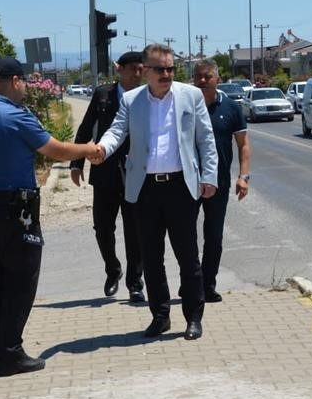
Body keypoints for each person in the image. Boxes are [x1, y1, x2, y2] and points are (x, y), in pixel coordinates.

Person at [0, 56, 101, 376]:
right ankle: (10, 353)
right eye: (23, 82)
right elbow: (55, 150)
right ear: (14, 81)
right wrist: (88, 150)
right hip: (15, 210)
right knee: (20, 281)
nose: (24, 87)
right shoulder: (15, 116)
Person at [94, 44, 218, 340]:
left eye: (170, 69)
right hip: (145, 189)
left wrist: (209, 176)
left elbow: (205, 139)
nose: (166, 74)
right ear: (146, 71)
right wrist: (101, 149)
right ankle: (160, 316)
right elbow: (117, 131)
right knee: (151, 258)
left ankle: (193, 317)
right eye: (160, 69)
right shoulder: (132, 99)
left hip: (181, 187)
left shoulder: (191, 95)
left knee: (188, 256)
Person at [70, 51, 145, 302]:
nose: (137, 74)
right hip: (104, 171)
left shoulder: (147, 97)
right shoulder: (103, 94)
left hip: (136, 172)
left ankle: (135, 282)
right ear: (119, 69)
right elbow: (86, 128)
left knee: (135, 230)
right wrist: (76, 164)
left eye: (140, 69)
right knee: (102, 227)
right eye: (132, 69)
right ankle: (112, 269)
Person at [191, 59, 251, 302]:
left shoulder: (231, 108)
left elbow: (243, 145)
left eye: (207, 76)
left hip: (219, 182)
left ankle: (208, 285)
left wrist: (243, 177)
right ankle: (191, 284)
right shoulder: (185, 106)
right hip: (187, 181)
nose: (202, 80)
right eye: (198, 76)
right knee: (186, 237)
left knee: (214, 237)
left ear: (217, 79)